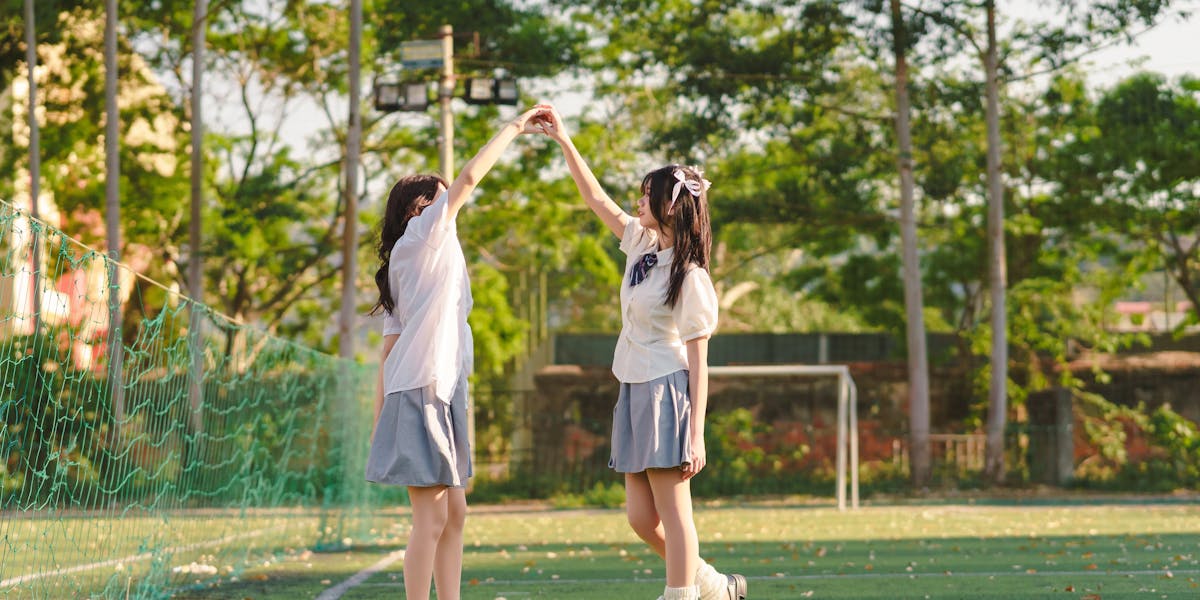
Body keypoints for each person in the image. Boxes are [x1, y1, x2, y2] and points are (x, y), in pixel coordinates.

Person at [537, 105, 748, 600]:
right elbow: (595, 198)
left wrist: (695, 433)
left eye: (645, 194)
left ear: (669, 205)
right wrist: (564, 140)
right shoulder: (641, 248)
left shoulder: (691, 277)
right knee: (639, 518)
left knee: (675, 515)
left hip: (666, 391)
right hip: (632, 387)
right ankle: (715, 585)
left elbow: (699, 361)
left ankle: (683, 595)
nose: (637, 201)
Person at [365, 106, 548, 600]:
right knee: (432, 516)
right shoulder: (423, 235)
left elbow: (390, 345)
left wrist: (381, 415)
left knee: (455, 512)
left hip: (439, 390)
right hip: (422, 391)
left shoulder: (422, 255)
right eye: (441, 196)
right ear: (417, 208)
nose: (452, 201)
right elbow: (469, 178)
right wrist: (514, 127)